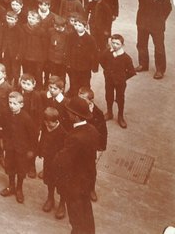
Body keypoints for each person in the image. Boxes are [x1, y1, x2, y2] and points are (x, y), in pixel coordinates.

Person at [54, 97, 100, 234]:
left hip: (74, 183)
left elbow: (62, 160)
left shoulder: (75, 137)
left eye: (69, 112)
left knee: (75, 216)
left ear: (75, 116)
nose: (67, 114)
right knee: (86, 210)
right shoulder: (92, 130)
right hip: (87, 180)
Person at [136, 0, 172, 80]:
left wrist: (160, 20)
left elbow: (168, 8)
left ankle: (160, 70)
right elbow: (141, 3)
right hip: (142, 23)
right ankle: (143, 64)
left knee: (159, 48)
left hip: (156, 25)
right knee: (141, 44)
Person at [100, 34, 135, 128]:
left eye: (117, 44)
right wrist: (107, 71)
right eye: (113, 43)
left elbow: (132, 72)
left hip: (120, 82)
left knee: (120, 98)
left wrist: (123, 77)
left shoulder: (126, 58)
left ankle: (120, 116)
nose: (115, 45)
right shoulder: (107, 52)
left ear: (122, 45)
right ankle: (109, 112)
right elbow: (102, 61)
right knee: (109, 95)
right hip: (109, 80)